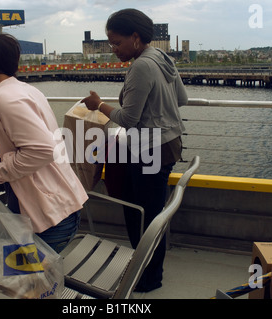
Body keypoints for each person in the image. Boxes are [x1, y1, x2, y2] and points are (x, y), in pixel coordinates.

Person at [82, 8, 188, 292]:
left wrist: (98, 105)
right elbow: (182, 98)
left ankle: (149, 278)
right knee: (145, 209)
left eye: (116, 42)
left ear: (136, 37)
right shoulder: (163, 58)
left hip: (149, 148)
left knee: (143, 215)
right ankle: (144, 268)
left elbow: (128, 119)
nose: (113, 49)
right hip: (167, 144)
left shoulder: (141, 66)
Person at [0, 33, 88, 253]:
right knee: (31, 283)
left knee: (28, 286)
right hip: (59, 208)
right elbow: (42, 139)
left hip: (48, 219)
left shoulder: (4, 99)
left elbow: (42, 150)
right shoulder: (24, 90)